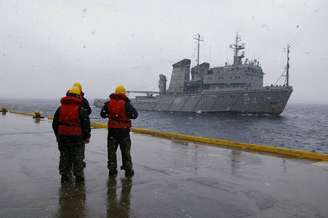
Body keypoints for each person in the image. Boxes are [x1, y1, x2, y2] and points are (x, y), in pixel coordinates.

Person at [52, 86, 91, 183]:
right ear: (78, 96)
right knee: (78, 156)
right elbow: (86, 125)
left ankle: (64, 175)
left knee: (64, 156)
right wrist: (87, 136)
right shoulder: (80, 109)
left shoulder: (60, 108)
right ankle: (78, 176)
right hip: (77, 137)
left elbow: (55, 124)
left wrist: (58, 135)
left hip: (63, 136)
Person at [100, 85, 138, 177]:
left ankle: (112, 171)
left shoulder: (108, 103)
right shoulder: (126, 104)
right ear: (124, 93)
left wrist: (111, 115)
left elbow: (102, 114)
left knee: (111, 152)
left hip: (112, 132)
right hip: (124, 132)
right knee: (125, 152)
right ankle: (128, 171)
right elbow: (135, 115)